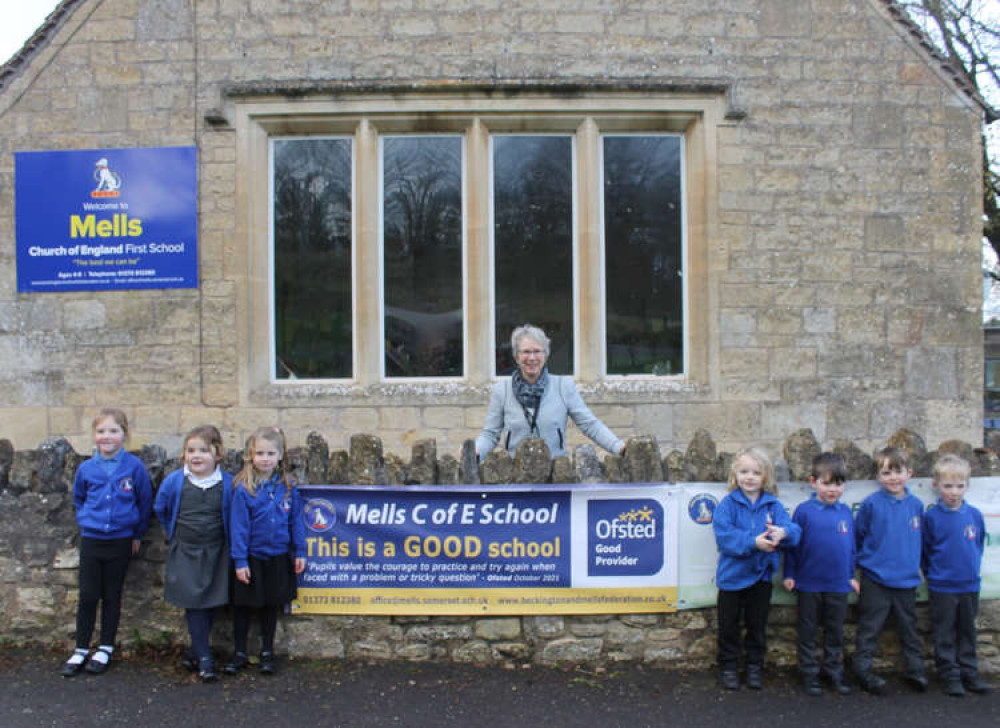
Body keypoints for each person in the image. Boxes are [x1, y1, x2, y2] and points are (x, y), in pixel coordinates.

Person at [61, 408, 153, 677]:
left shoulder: (133, 467)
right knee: (88, 595)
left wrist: (137, 534)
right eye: (101, 431)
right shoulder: (86, 468)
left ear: (124, 434)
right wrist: (86, 519)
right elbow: (79, 498)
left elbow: (144, 501)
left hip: (121, 540)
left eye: (113, 431)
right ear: (94, 436)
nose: (107, 436)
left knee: (112, 595)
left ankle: (105, 647)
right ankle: (80, 648)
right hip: (92, 539)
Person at [712, 447, 800, 691]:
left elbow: (794, 532)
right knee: (728, 627)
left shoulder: (773, 506)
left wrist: (782, 533)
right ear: (735, 475)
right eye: (744, 471)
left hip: (760, 578)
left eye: (756, 472)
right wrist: (754, 542)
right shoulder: (727, 505)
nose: (749, 477)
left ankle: (754, 666)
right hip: (731, 579)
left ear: (766, 477)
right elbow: (725, 538)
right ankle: (728, 667)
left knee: (757, 626)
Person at [475, 324, 625, 461]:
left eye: (537, 351)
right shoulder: (502, 390)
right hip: (515, 476)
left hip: (556, 474)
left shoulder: (563, 386)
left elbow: (590, 425)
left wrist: (618, 447)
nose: (532, 357)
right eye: (526, 352)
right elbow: (490, 435)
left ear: (545, 355)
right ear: (516, 356)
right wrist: (475, 451)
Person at [154, 425, 233, 682]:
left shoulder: (228, 484)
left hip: (216, 550)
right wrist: (173, 532)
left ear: (218, 454)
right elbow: (161, 508)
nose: (196, 456)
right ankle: (206, 660)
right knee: (194, 602)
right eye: (190, 450)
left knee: (210, 601)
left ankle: (195, 651)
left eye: (203, 450)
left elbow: (234, 516)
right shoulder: (175, 481)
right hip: (185, 550)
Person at [227, 427, 306, 676]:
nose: (265, 458)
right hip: (251, 557)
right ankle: (239, 652)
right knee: (243, 606)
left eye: (270, 453)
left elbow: (296, 521)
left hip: (278, 555)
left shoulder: (289, 487)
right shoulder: (243, 488)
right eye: (260, 453)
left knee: (270, 606)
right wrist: (240, 560)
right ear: (251, 455)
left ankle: (267, 652)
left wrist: (300, 550)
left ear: (280, 455)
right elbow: (238, 527)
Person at [852, 447, 927, 694]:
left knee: (909, 628)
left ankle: (916, 670)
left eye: (898, 472)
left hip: (906, 581)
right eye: (886, 472)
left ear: (910, 473)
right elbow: (858, 537)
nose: (893, 477)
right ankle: (862, 670)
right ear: (878, 476)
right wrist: (859, 569)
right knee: (869, 628)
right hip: (875, 579)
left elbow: (922, 542)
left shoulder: (916, 506)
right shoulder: (871, 505)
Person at [782, 452, 858, 696]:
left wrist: (851, 575)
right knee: (808, 632)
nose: (832, 489)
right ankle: (809, 673)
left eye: (838, 484)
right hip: (809, 584)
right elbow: (792, 547)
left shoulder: (846, 512)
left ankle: (834, 673)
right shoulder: (803, 512)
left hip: (838, 585)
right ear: (813, 482)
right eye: (826, 483)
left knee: (835, 631)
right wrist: (790, 573)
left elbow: (851, 549)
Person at [922, 454, 989, 696]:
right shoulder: (932, 517)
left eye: (960, 486)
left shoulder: (974, 515)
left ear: (967, 486)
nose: (954, 491)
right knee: (945, 632)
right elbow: (926, 549)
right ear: (936, 485)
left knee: (967, 631)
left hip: (969, 584)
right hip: (942, 586)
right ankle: (949, 674)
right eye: (948, 486)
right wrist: (935, 574)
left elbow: (978, 544)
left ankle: (970, 673)